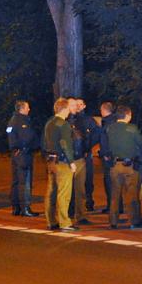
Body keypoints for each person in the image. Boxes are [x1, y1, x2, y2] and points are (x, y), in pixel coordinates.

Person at [100, 105, 142, 229]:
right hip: (130, 166)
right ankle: (134, 221)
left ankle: (113, 221)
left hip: (115, 165)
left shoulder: (109, 129)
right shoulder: (132, 129)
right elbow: (140, 144)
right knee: (131, 194)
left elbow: (105, 147)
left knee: (114, 194)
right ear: (128, 115)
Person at [43, 97, 78, 231]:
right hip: (62, 162)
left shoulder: (49, 123)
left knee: (51, 191)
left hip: (51, 160)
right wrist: (71, 162)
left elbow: (44, 142)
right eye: (68, 108)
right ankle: (65, 222)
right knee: (64, 193)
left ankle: (51, 220)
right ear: (64, 109)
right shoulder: (63, 124)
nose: (70, 111)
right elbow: (65, 144)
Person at [6, 99, 39, 217]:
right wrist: (35, 145)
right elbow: (28, 137)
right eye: (27, 107)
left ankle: (16, 207)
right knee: (24, 182)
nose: (29, 109)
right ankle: (25, 208)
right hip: (24, 154)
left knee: (16, 181)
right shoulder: (22, 121)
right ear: (22, 109)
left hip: (15, 154)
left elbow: (11, 135)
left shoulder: (12, 120)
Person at [66, 98, 90, 226]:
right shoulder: (62, 121)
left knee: (80, 189)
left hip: (80, 159)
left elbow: (89, 136)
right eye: (73, 105)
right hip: (67, 160)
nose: (75, 107)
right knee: (66, 190)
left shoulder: (82, 120)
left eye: (77, 105)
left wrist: (87, 149)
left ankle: (81, 215)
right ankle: (65, 214)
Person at [74, 98, 101, 212]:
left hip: (86, 154)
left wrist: (88, 146)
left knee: (88, 179)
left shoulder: (89, 120)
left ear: (84, 106)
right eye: (77, 105)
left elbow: (96, 133)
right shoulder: (71, 119)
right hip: (75, 155)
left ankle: (89, 201)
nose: (78, 106)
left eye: (81, 104)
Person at [98, 101, 116, 214]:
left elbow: (105, 141)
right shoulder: (114, 121)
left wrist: (105, 154)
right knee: (115, 182)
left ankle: (112, 206)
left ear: (104, 110)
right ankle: (117, 206)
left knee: (109, 182)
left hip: (108, 157)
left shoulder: (107, 123)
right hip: (114, 155)